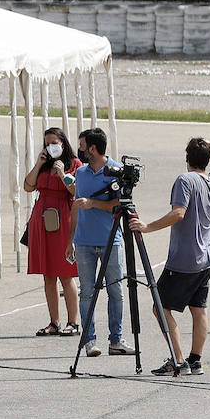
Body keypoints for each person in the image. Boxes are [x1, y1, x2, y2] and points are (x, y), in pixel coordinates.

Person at [130, 138, 210, 376]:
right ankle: (196, 360)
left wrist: (147, 226)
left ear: (187, 159)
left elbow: (178, 213)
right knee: (198, 308)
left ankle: (178, 359)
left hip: (185, 259)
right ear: (206, 159)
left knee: (160, 307)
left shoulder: (185, 180)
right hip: (207, 256)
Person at [69, 128, 134, 358]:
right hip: (84, 243)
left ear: (93, 148)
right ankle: (89, 340)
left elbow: (119, 204)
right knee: (86, 293)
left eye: (82, 145)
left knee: (116, 291)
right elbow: (76, 207)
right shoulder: (82, 173)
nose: (80, 149)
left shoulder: (116, 171)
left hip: (110, 241)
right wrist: (71, 240)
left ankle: (116, 340)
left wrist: (93, 203)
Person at [25, 127, 81, 337]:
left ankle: (73, 322)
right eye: (47, 143)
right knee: (48, 274)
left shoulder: (74, 164)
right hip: (42, 219)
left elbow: (75, 190)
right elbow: (28, 186)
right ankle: (54, 322)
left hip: (63, 218)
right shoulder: (43, 164)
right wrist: (39, 163)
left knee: (65, 274)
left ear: (63, 143)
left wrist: (61, 173)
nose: (51, 147)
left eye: (54, 142)